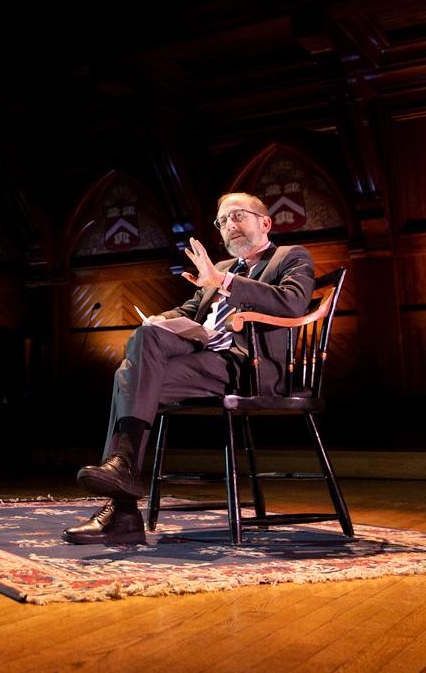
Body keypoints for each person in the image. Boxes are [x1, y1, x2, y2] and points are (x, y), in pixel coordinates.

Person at [62, 192, 315, 544]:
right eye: (222, 222)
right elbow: (189, 311)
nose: (229, 225)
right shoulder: (221, 269)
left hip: (249, 365)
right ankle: (123, 486)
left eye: (238, 216)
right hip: (204, 356)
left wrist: (224, 283)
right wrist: (158, 319)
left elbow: (293, 303)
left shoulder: (290, 258)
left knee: (127, 378)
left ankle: (121, 506)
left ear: (265, 222)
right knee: (142, 345)